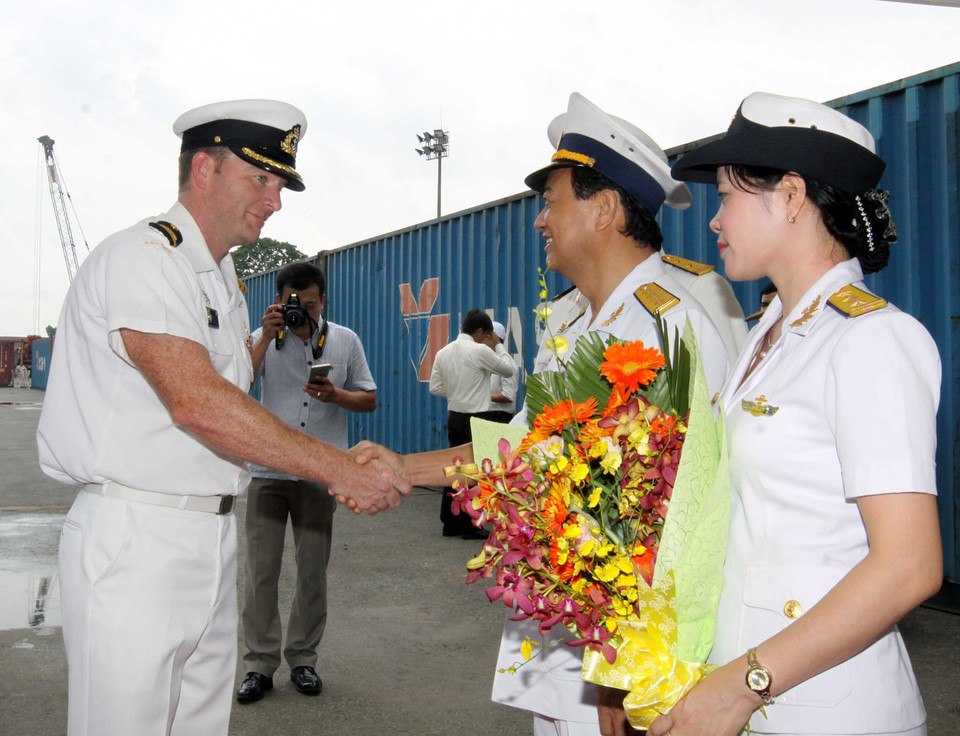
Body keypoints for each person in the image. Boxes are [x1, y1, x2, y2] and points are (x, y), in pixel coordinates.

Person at [361, 92, 733, 736]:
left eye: (552, 200)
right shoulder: (564, 318)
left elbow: (696, 507)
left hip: (638, 639)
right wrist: (402, 466)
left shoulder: (680, 312)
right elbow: (523, 446)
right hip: (568, 611)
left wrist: (626, 665)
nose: (540, 220)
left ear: (606, 209)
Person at [36, 99, 409, 736]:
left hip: (209, 532)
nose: (276, 200)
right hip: (136, 537)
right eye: (261, 179)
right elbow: (197, 402)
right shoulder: (146, 257)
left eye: (281, 184)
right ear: (204, 168)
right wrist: (336, 468)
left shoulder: (220, 278)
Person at [598, 91, 943, 736]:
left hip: (828, 710)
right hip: (739, 689)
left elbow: (909, 566)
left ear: (790, 195)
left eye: (727, 196)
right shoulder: (767, 334)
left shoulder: (871, 340)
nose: (713, 220)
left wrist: (742, 686)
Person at [237, 262, 378, 704]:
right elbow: (239, 384)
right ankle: (259, 666)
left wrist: (336, 395)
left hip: (320, 474)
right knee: (260, 572)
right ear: (280, 301)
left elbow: (369, 399)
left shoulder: (345, 339)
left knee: (312, 572)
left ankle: (303, 660)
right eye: (294, 303)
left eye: (312, 304)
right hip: (267, 472)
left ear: (323, 301)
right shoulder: (263, 338)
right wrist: (263, 336)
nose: (304, 312)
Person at [430, 308, 516, 537]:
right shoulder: (478, 351)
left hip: (454, 416)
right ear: (480, 331)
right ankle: (470, 525)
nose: (488, 339)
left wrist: (458, 392)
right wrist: (498, 344)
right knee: (474, 472)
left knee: (455, 470)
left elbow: (435, 387)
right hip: (475, 417)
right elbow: (508, 369)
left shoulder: (443, 352)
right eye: (488, 335)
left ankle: (450, 523)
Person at [487, 320, 520, 423]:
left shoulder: (507, 363)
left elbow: (508, 395)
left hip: (500, 417)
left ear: (492, 337)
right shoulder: (487, 360)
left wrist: (484, 396)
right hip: (488, 416)